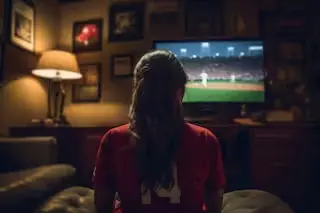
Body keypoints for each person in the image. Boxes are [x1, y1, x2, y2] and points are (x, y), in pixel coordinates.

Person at [93, 50, 226, 213]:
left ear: (137, 91)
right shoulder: (206, 140)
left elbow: (102, 206)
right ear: (181, 92)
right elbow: (215, 206)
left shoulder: (113, 140)